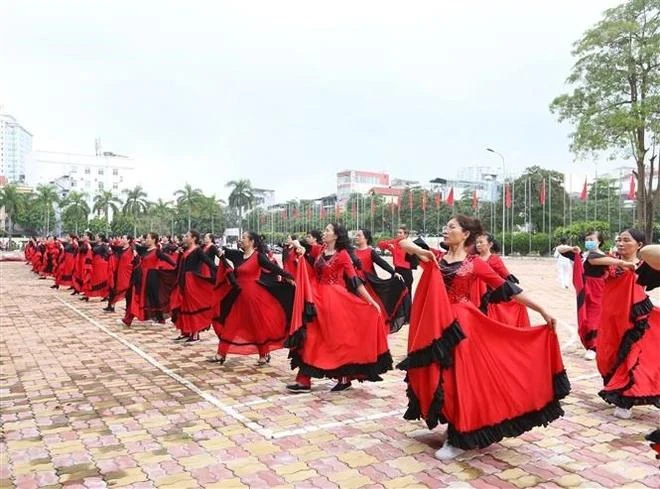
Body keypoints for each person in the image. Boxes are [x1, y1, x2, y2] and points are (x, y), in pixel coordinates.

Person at [397, 215, 568, 460]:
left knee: (460, 379)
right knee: (440, 375)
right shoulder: (437, 256)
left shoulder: (475, 264)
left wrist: (541, 309)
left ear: (466, 234)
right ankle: (453, 424)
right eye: (446, 227)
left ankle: (460, 435)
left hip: (464, 325)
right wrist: (422, 252)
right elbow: (402, 244)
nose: (446, 230)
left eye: (451, 227)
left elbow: (508, 289)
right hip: (436, 324)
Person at [286, 223, 392, 393]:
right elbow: (304, 251)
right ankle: (303, 379)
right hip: (316, 300)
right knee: (309, 336)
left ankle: (344, 378)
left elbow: (355, 281)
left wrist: (371, 302)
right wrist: (297, 246)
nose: (324, 232)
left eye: (327, 230)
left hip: (336, 302)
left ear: (335, 235)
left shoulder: (343, 255)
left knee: (337, 340)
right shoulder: (320, 250)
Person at [596, 229, 659, 419]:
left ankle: (626, 400)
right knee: (607, 357)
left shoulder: (646, 264)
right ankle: (620, 389)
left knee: (634, 357)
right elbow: (591, 258)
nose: (621, 243)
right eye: (619, 240)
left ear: (639, 245)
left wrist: (635, 261)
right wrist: (622, 263)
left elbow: (652, 254)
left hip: (635, 316)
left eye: (626, 240)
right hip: (611, 317)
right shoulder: (609, 260)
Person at [209, 231, 294, 365]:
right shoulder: (238, 255)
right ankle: (221, 353)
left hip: (254, 296)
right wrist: (213, 247)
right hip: (239, 296)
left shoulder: (259, 256)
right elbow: (222, 252)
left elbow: (274, 268)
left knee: (257, 324)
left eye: (243, 238)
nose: (241, 240)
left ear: (252, 241)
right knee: (232, 322)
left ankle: (264, 354)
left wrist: (290, 277)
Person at [558, 231, 619, 360]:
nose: (588, 242)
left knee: (593, 319)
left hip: (598, 291)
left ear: (599, 241)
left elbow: (611, 266)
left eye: (591, 239)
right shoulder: (582, 255)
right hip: (584, 290)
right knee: (583, 318)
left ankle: (594, 347)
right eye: (586, 239)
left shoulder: (604, 257)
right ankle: (591, 344)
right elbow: (560, 249)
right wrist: (571, 248)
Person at [354, 228, 409, 333]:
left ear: (365, 238)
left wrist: (394, 273)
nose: (356, 237)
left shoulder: (370, 251)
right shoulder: (352, 252)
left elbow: (382, 263)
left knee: (371, 307)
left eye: (359, 235)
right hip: (356, 284)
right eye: (356, 235)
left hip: (369, 284)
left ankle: (372, 328)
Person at [474, 233, 530, 328]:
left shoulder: (495, 260)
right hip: (475, 295)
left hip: (490, 298)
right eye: (477, 242)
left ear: (490, 244)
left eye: (481, 242)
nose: (478, 244)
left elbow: (507, 278)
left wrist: (515, 294)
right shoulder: (473, 258)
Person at [170, 231, 217, 344]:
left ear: (194, 238)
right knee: (183, 306)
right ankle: (185, 331)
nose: (185, 238)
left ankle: (195, 334)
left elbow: (208, 261)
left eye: (187, 236)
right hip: (183, 281)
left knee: (192, 306)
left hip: (192, 282)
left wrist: (219, 270)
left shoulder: (198, 250)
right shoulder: (186, 250)